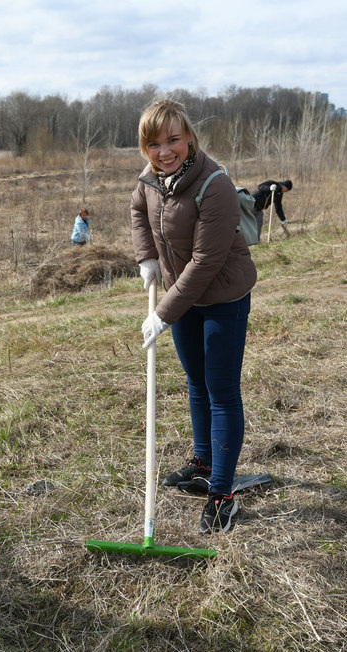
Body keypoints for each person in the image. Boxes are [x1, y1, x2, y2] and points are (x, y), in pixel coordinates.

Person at [131, 99, 257, 535]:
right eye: (154, 143)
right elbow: (137, 212)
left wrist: (164, 313)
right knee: (195, 382)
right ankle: (203, 463)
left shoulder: (214, 185)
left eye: (173, 140)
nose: (164, 151)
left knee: (220, 389)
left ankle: (222, 494)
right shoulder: (150, 180)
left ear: (189, 138)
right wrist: (147, 257)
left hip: (222, 295)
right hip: (182, 298)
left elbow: (205, 262)